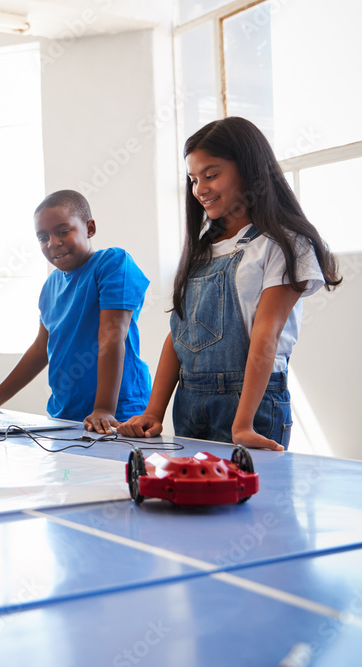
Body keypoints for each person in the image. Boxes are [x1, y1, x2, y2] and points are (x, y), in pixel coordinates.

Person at [120, 117, 341, 450]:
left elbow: (267, 336)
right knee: (196, 499)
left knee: (248, 500)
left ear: (250, 171)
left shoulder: (283, 244)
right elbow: (179, 336)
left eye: (211, 175)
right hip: (190, 402)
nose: (200, 189)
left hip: (251, 405)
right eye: (193, 179)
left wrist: (243, 424)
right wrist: (154, 411)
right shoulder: (201, 249)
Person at [0, 190, 151, 433]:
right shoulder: (50, 285)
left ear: (90, 228)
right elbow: (40, 350)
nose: (53, 243)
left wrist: (104, 409)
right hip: (64, 416)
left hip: (118, 414)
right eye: (42, 237)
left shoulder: (112, 263)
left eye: (63, 232)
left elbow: (112, 335)